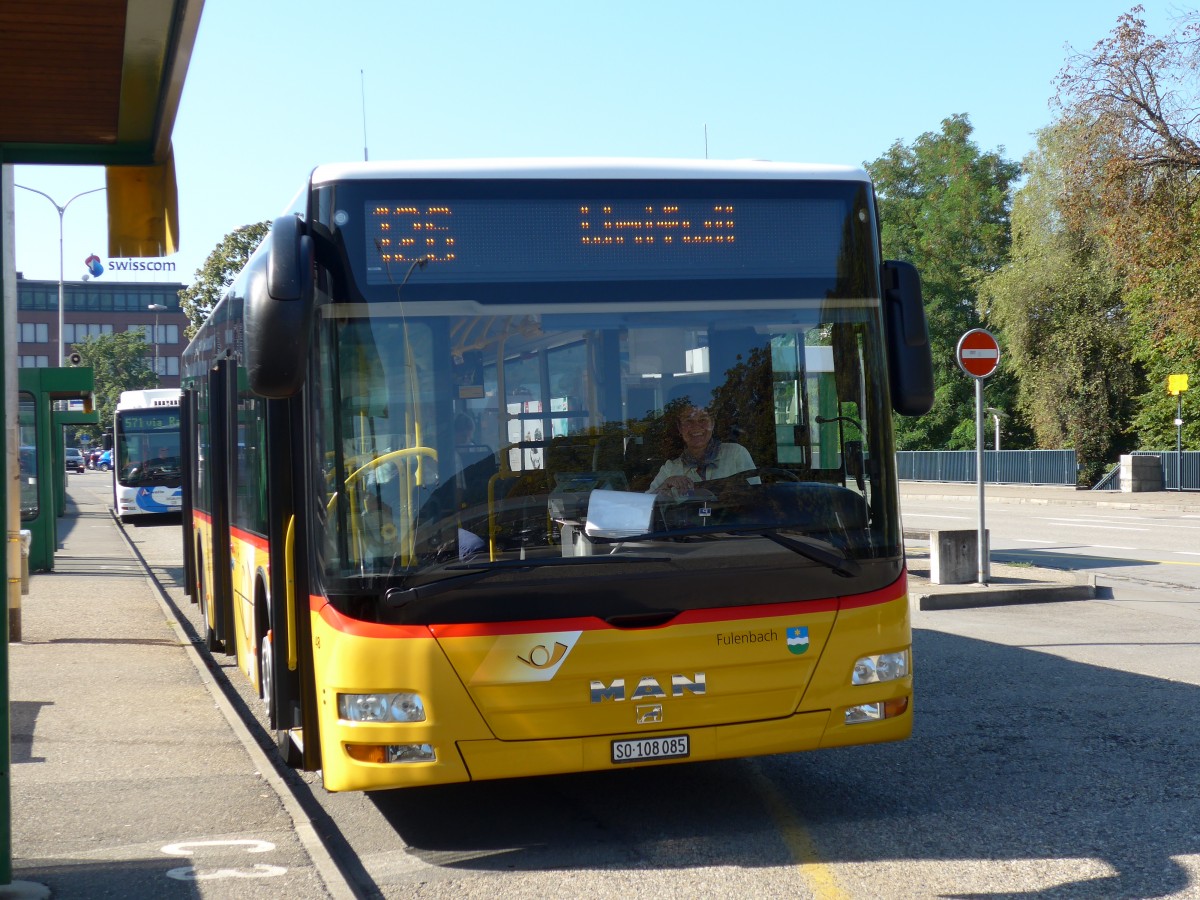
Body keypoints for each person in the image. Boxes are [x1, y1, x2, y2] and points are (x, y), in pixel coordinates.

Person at [647, 405, 755, 498]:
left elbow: (757, 497)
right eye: (689, 421)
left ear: (712, 424)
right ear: (680, 428)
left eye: (703, 420)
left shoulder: (736, 454)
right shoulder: (670, 469)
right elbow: (644, 506)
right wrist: (665, 486)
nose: (696, 427)